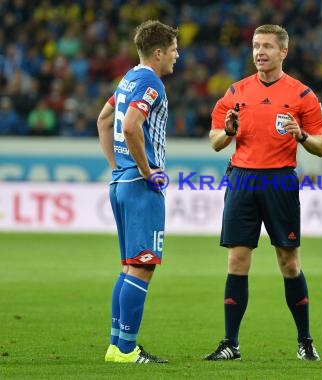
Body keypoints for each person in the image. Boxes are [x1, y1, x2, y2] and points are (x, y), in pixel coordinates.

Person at [204, 24, 322, 362]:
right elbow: (215, 141)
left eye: (267, 46)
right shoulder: (235, 92)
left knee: (288, 262)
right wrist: (227, 131)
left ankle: (305, 341)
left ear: (283, 52)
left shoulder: (302, 95)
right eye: (256, 46)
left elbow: (321, 146)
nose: (259, 52)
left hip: (280, 180)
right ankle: (230, 343)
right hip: (242, 180)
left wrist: (300, 135)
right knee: (237, 259)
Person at [96, 20, 179, 364]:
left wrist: (117, 167)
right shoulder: (150, 82)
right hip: (140, 185)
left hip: (121, 183)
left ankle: (117, 346)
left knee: (131, 266)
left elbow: (104, 119)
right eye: (173, 49)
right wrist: (146, 171)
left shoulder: (129, 78)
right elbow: (130, 125)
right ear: (158, 52)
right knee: (143, 265)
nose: (178, 55)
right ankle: (127, 349)